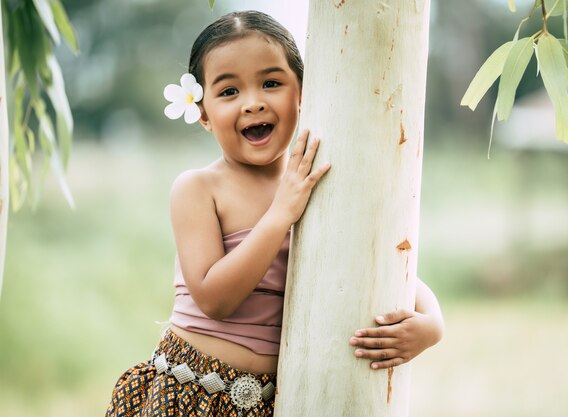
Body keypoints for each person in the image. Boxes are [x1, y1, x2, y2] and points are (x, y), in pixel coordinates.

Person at [105, 10, 444, 417]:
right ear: (204, 114)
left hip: (276, 402)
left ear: (301, 93)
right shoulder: (198, 189)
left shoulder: (314, 181)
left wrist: (431, 324)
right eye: (229, 91)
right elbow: (215, 298)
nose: (253, 103)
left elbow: (375, 257)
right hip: (189, 392)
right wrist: (281, 213)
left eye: (271, 83)